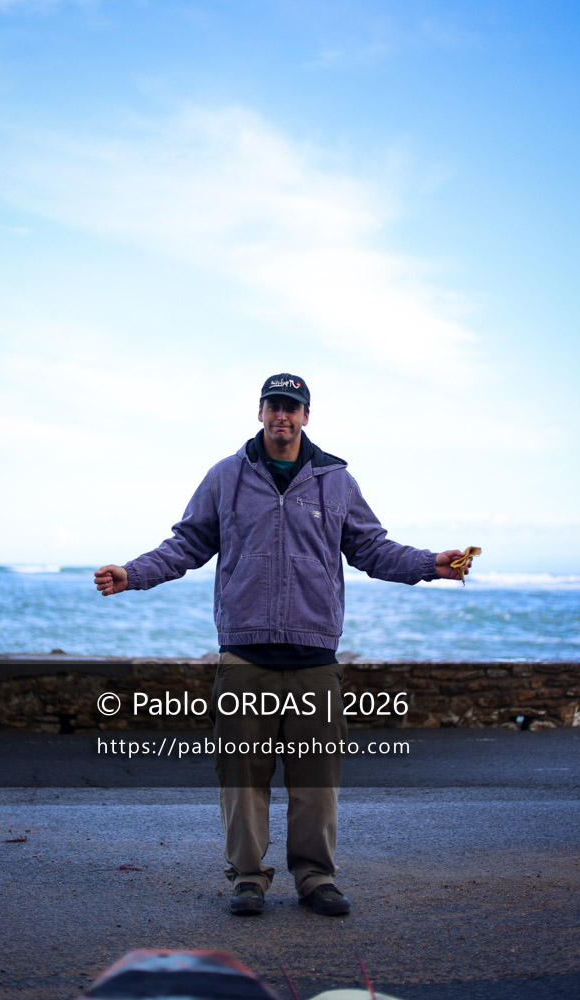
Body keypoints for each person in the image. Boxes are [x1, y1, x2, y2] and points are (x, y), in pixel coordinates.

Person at [94, 372, 472, 917]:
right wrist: (133, 574)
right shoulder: (226, 477)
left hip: (315, 658)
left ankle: (315, 878)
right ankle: (248, 877)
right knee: (242, 776)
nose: (283, 417)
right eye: (274, 407)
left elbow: (371, 547)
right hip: (245, 656)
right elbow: (188, 544)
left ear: (306, 416)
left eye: (292, 408)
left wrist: (429, 565)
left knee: (316, 779)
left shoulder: (335, 481)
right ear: (260, 412)